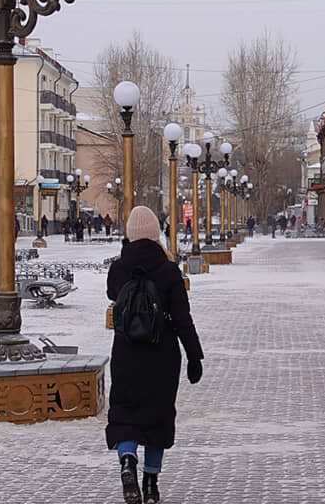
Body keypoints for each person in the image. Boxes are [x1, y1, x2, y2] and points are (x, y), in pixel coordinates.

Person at [106, 207, 204, 504]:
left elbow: (114, 298)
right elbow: (182, 318)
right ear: (155, 232)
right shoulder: (168, 270)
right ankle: (150, 484)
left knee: (125, 412)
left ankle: (126, 461)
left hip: (125, 353)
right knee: (157, 417)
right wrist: (194, 356)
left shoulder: (118, 269)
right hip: (162, 355)